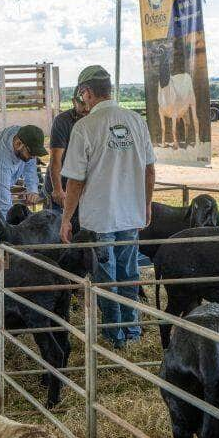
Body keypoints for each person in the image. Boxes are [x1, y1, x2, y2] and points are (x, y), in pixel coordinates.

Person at [59, 66, 156, 349]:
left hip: (100, 218)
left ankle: (115, 336)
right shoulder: (136, 121)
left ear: (86, 92)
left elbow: (75, 180)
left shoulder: (85, 127)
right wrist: (146, 204)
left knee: (106, 278)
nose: (83, 101)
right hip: (129, 214)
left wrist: (66, 218)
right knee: (130, 273)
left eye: (82, 96)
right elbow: (150, 170)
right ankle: (132, 332)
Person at [44, 91, 90, 232]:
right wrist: (57, 189)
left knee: (79, 229)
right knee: (56, 229)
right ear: (73, 101)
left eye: (88, 103)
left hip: (83, 186)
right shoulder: (63, 121)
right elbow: (56, 159)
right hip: (61, 183)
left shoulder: (95, 120)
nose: (86, 108)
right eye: (82, 104)